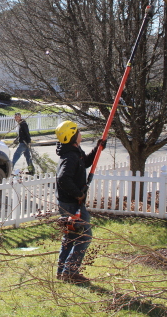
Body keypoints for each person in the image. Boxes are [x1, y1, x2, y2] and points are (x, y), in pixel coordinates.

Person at [55, 120, 106, 283]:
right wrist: (78, 194)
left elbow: (84, 162)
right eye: (77, 131)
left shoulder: (73, 151)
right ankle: (70, 272)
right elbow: (62, 178)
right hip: (70, 204)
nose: (80, 133)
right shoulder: (70, 156)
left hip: (68, 202)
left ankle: (62, 271)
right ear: (73, 136)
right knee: (84, 236)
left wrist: (97, 149)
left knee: (70, 236)